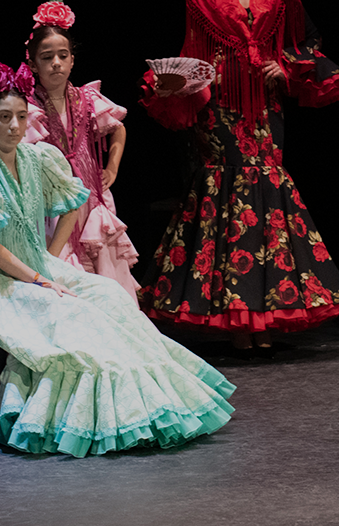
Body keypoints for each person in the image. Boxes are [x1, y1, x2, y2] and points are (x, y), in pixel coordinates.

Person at [138, 0, 339, 350]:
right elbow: (191, 54)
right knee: (229, 198)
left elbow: (306, 40)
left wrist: (289, 65)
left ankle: (265, 313)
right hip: (220, 112)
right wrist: (197, 78)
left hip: (266, 105)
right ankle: (236, 320)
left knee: (266, 197)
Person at [0, 65, 237, 456]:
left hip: (38, 266)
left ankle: (158, 405)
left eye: (20, 117)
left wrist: (51, 258)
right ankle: (84, 419)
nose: (13, 126)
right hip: (10, 281)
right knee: (76, 317)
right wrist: (40, 279)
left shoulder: (34, 158)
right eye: (4, 118)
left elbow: (73, 205)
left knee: (111, 296)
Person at [24, 0, 140, 300]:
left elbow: (119, 129)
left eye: (63, 55)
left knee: (103, 278)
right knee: (61, 277)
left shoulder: (87, 100)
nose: (56, 63)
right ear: (33, 63)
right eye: (47, 57)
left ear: (72, 60)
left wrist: (112, 167)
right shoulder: (28, 107)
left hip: (90, 201)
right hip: (52, 208)